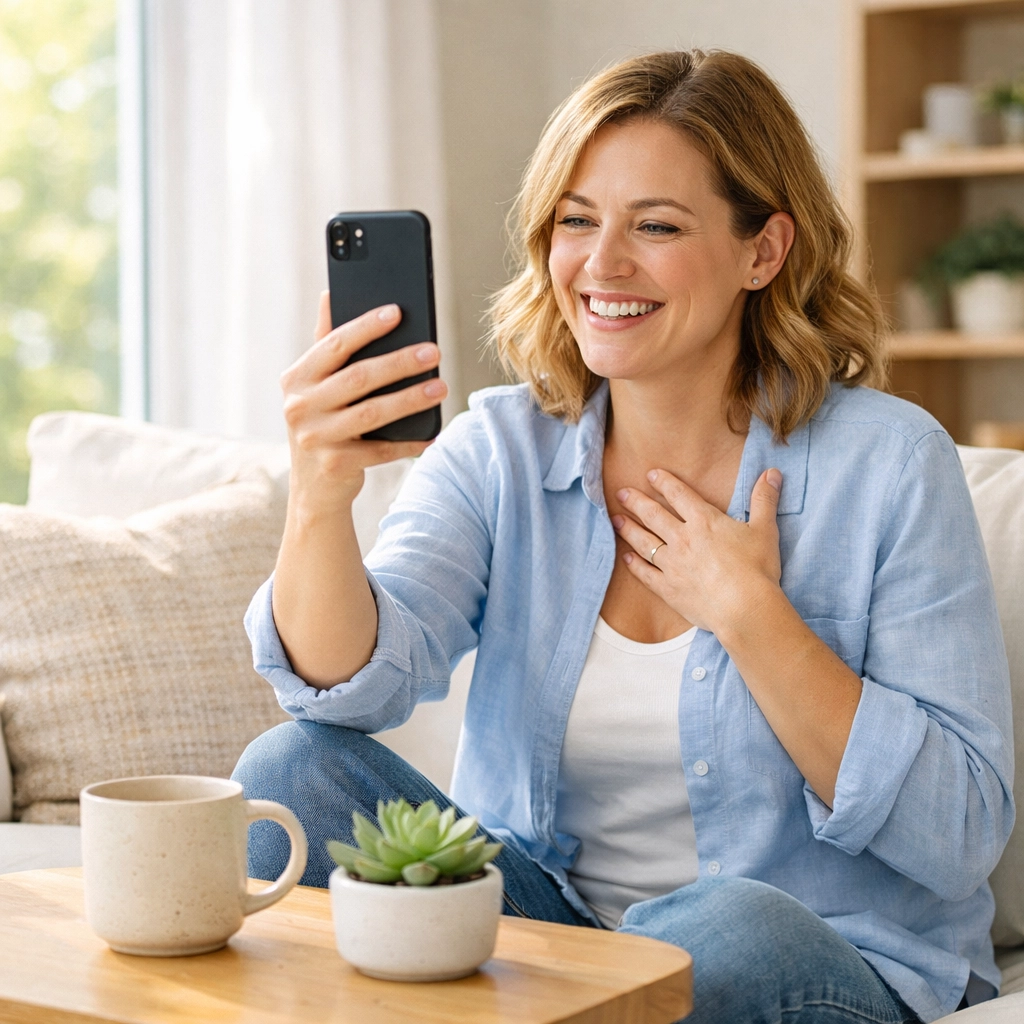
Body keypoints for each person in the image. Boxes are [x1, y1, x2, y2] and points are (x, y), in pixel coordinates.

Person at [233, 50, 1014, 1023]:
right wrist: (320, 495)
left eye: (655, 225)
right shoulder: (501, 453)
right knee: (285, 771)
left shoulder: (891, 464)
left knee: (715, 931)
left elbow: (959, 830)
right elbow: (349, 684)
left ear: (762, 252)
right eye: (576, 220)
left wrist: (750, 615)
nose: (601, 265)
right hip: (548, 950)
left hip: (810, 960)